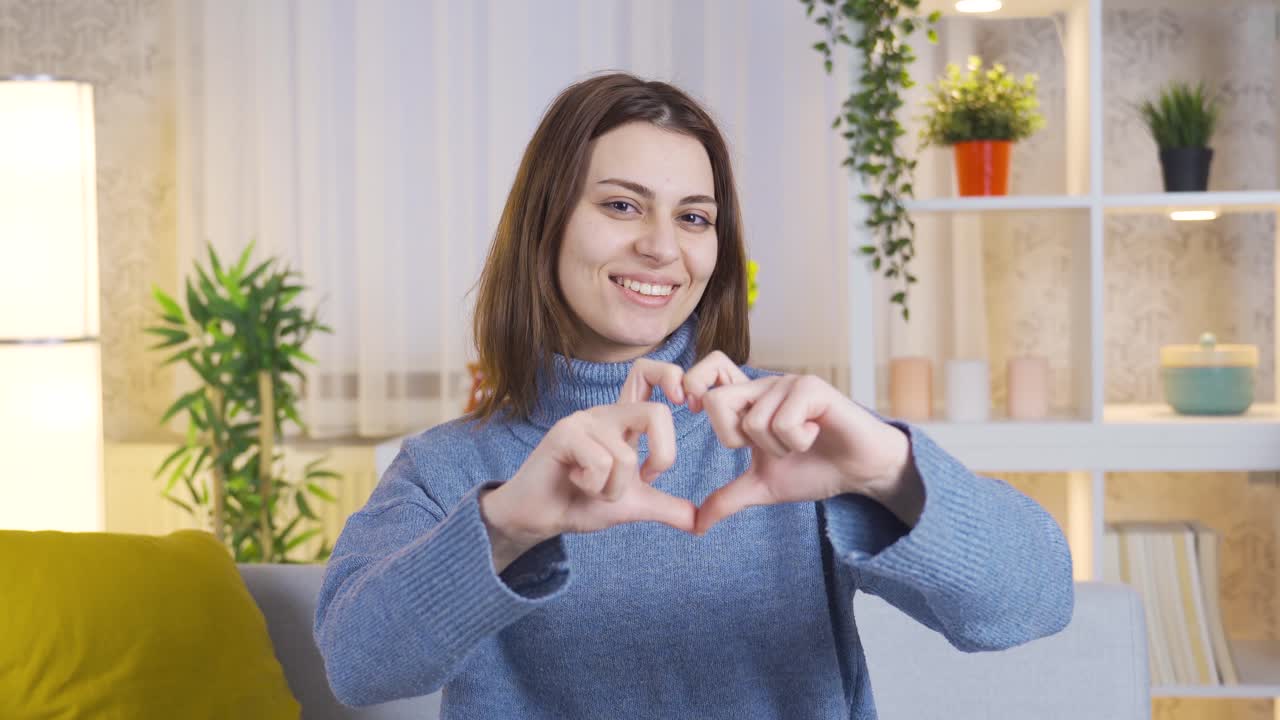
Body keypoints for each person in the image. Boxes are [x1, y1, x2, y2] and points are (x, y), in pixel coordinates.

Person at [313, 71, 1074, 718]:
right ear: (543, 225)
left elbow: (1033, 603)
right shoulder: (449, 467)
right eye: (620, 205)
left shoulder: (787, 435)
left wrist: (886, 469)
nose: (661, 246)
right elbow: (358, 667)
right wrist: (512, 521)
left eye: (694, 217)